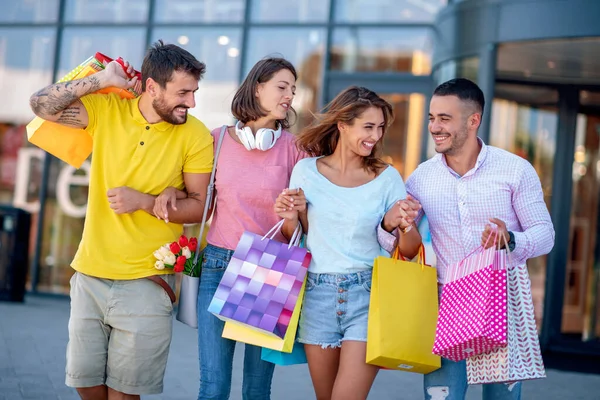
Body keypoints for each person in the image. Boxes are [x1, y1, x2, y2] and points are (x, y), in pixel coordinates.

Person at [29, 40, 214, 399]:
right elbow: (40, 106)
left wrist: (144, 202)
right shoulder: (107, 110)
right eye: (183, 92)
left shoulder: (195, 134)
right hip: (91, 274)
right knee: (83, 381)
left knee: (125, 393)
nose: (191, 102)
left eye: (194, 92)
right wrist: (100, 80)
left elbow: (200, 208)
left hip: (147, 283)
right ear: (151, 87)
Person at [378, 78, 555, 400]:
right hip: (445, 301)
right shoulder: (422, 177)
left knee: (502, 398)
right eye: (432, 117)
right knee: (441, 396)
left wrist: (509, 239)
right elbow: (399, 241)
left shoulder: (515, 170)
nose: (434, 127)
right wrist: (390, 222)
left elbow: (545, 235)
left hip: (500, 300)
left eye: (445, 118)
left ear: (474, 120)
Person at [275, 86, 422, 400]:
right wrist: (291, 215)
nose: (376, 135)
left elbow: (409, 250)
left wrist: (403, 222)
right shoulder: (306, 172)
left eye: (380, 127)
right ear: (342, 124)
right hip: (317, 296)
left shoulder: (387, 177)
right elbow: (294, 237)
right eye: (368, 126)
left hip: (367, 296)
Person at [196, 57, 305, 400]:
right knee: (213, 387)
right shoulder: (216, 141)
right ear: (257, 87)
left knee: (257, 390)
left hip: (269, 268)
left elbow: (303, 225)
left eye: (293, 90)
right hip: (218, 263)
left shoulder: (297, 149)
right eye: (282, 87)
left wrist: (292, 214)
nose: (289, 95)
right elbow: (199, 201)